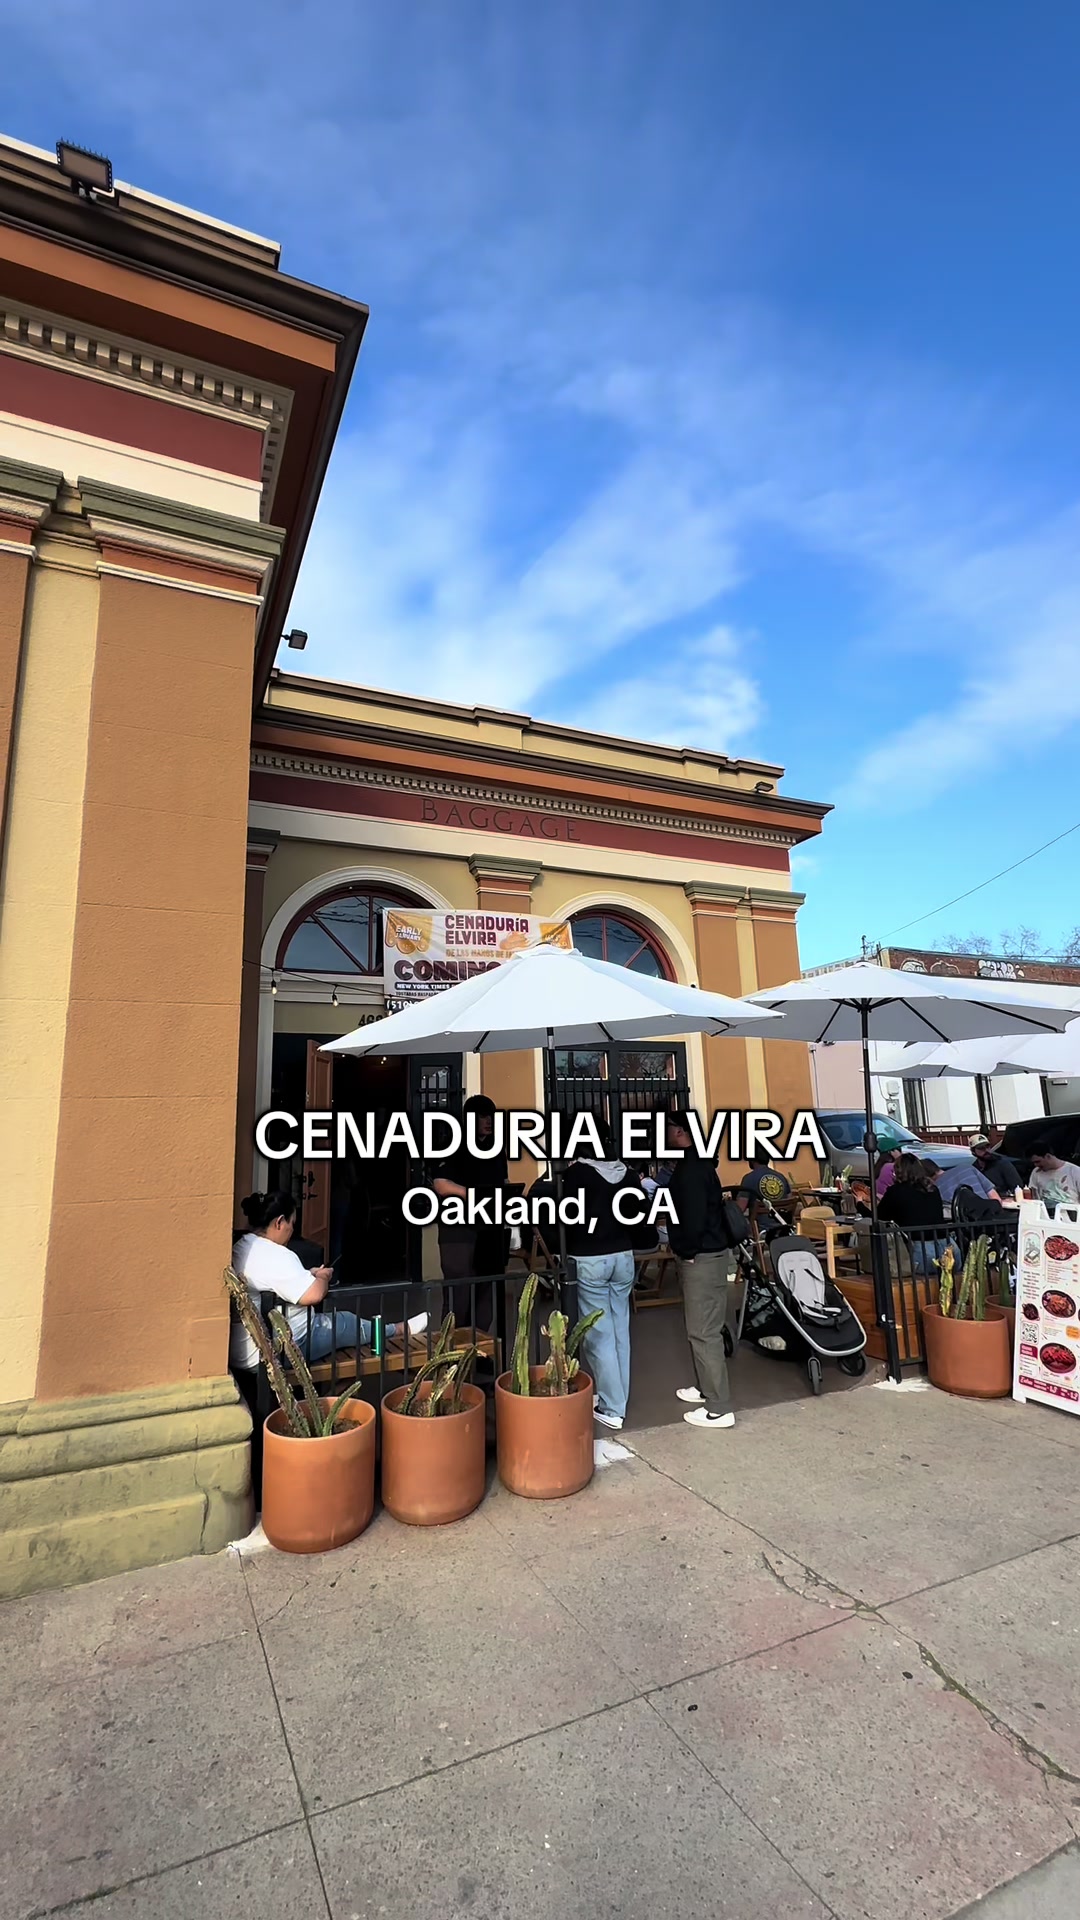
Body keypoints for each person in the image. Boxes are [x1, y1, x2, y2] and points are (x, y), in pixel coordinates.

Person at [534, 1121, 652, 1432]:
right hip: (623, 1257)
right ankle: (617, 1398)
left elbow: (558, 1215)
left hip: (589, 1260)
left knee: (599, 1336)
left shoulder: (574, 1176)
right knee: (620, 1330)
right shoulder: (627, 1173)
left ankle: (612, 1408)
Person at [230, 1191, 425, 1369]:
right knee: (345, 1322)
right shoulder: (276, 1255)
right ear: (279, 1222)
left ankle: (392, 1331)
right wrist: (323, 1276)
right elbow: (314, 1295)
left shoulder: (242, 1246)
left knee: (344, 1329)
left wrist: (309, 1274)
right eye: (292, 1224)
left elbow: (275, 1280)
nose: (292, 1231)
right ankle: (397, 1330)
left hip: (242, 1350)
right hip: (283, 1347)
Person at [665, 1111, 738, 1430]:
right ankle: (705, 1388)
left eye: (667, 1128)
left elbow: (693, 1217)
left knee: (704, 1331)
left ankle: (719, 1408)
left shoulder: (692, 1169)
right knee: (703, 1327)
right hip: (709, 1254)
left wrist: (687, 1251)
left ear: (680, 1131)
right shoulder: (699, 1163)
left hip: (702, 1257)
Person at [433, 1093, 510, 1331]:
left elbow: (504, 1181)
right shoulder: (453, 1144)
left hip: (490, 1228)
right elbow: (441, 1184)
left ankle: (481, 1346)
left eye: (491, 1116)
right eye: (483, 1116)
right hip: (458, 1230)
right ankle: (453, 1348)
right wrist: (474, 1196)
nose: (489, 1121)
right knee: (459, 1294)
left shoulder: (496, 1148)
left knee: (487, 1290)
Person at [878, 1153, 948, 1274]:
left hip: (921, 1250)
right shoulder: (932, 1189)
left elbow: (879, 1217)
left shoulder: (896, 1191)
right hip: (947, 1246)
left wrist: (860, 1203)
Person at [929, 1157, 1001, 1212]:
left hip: (968, 1223)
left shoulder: (936, 1189)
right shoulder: (967, 1167)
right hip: (990, 1216)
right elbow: (993, 1195)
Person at [969, 1133, 1021, 1198]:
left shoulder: (1003, 1164)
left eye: (987, 1146)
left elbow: (1017, 1188)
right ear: (973, 1151)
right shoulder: (974, 1169)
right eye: (981, 1148)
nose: (986, 1150)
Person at [1029, 1142, 1080, 1207]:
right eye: (1034, 1163)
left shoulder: (1075, 1171)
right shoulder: (1036, 1172)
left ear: (1048, 1156)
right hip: (1044, 1210)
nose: (1036, 1165)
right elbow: (1033, 1195)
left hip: (1070, 1210)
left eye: (1038, 1161)